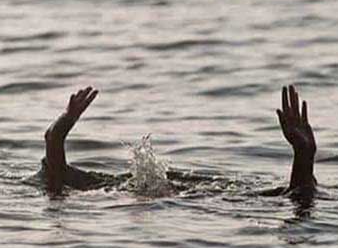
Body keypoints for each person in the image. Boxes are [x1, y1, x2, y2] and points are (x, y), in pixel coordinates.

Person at [36, 84, 318, 197]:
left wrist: (65, 122)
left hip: (185, 200)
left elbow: (53, 143)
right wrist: (64, 123)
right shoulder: (91, 185)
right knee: (293, 197)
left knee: (292, 197)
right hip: (193, 199)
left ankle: (304, 158)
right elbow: (53, 141)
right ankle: (303, 157)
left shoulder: (90, 186)